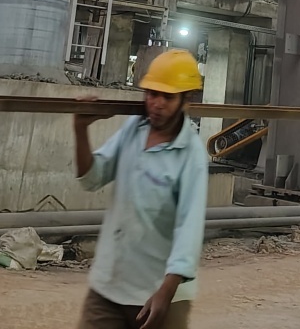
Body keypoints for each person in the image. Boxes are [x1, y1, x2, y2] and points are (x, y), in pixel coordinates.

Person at [72, 48, 208, 329]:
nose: (156, 103)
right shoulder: (134, 129)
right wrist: (80, 129)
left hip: (158, 293)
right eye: (152, 94)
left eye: (167, 97)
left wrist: (166, 292)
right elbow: (92, 178)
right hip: (108, 287)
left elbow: (189, 229)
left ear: (186, 99)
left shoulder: (191, 155)